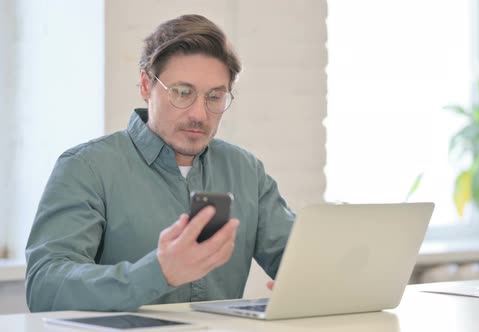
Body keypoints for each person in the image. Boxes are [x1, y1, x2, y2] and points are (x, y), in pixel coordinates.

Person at [25, 14, 295, 312]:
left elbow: (298, 259)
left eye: (215, 97)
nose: (200, 114)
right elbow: (45, 286)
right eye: (182, 93)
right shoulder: (86, 167)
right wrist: (158, 272)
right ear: (145, 85)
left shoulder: (245, 170)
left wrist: (310, 281)